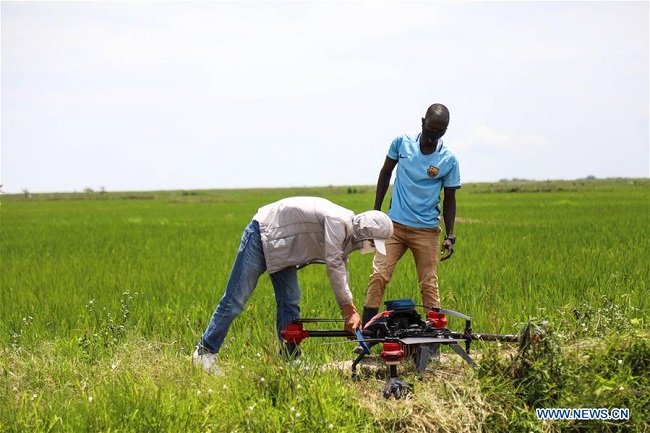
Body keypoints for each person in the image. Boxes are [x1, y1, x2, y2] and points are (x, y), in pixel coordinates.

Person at [193, 196, 394, 374]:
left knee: (290, 301)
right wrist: (349, 310)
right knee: (236, 298)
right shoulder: (338, 221)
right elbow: (334, 263)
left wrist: (349, 310)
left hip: (283, 248)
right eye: (373, 242)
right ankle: (205, 353)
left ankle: (290, 359)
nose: (372, 247)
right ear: (366, 234)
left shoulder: (349, 230)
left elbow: (341, 265)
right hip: (263, 234)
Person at [361, 103, 461, 326]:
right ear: (422, 122)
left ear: (445, 130)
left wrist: (450, 235)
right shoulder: (402, 143)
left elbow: (450, 198)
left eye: (440, 131)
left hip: (426, 230)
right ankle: (366, 335)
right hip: (393, 227)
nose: (433, 135)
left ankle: (433, 339)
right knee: (378, 276)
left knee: (428, 283)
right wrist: (376, 214)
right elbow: (385, 173)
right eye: (430, 129)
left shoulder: (448, 159)